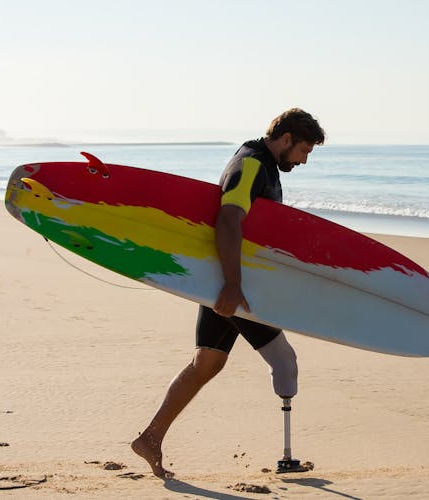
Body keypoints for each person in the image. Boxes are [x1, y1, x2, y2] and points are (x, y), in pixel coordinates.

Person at [131, 108, 325, 478]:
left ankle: (150, 438)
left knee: (207, 362)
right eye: (304, 151)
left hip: (225, 281)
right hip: (236, 286)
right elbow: (228, 218)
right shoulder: (251, 163)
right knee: (284, 361)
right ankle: (287, 459)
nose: (303, 160)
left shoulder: (263, 164)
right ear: (286, 139)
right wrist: (233, 286)